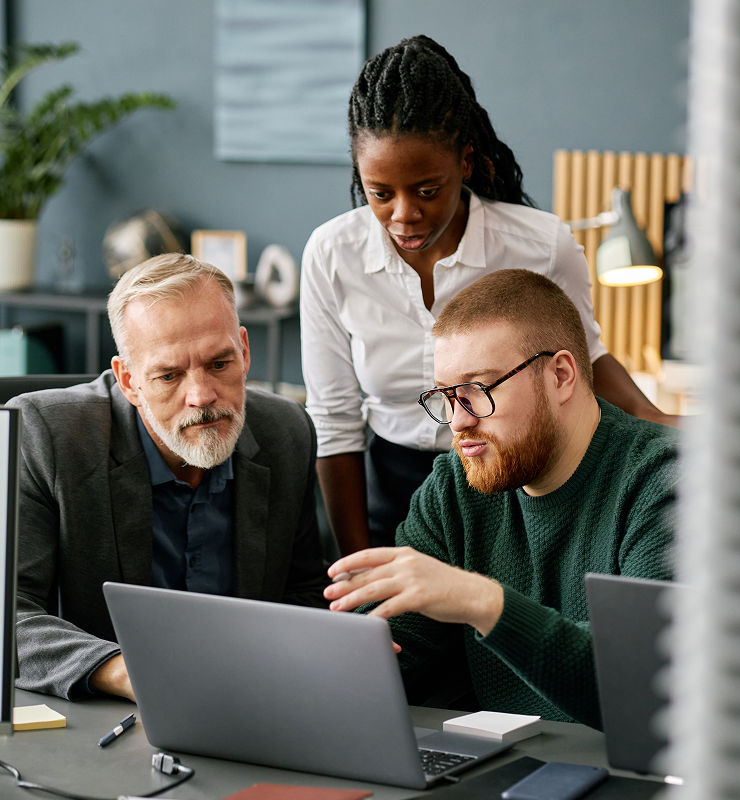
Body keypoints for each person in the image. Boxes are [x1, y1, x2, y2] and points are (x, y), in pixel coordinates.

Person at [300, 34, 677, 556]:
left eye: (427, 190)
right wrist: (357, 568)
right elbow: (335, 421)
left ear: (467, 162)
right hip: (388, 486)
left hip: (510, 486)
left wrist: (661, 424)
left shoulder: (540, 246)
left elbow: (583, 363)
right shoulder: (331, 254)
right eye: (380, 194)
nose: (404, 215)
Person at [323, 269, 679, 729]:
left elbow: (642, 688)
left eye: (478, 390)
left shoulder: (666, 481)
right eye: (447, 396)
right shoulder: (455, 485)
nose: (457, 422)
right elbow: (392, 652)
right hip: (502, 768)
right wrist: (341, 661)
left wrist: (483, 602)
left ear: (561, 375)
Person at [11, 253, 328, 701]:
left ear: (244, 349)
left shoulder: (287, 431)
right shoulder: (46, 434)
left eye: (219, 364)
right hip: (103, 719)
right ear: (128, 380)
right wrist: (131, 673)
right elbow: (10, 614)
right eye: (168, 375)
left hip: (250, 700)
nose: (201, 396)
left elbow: (305, 592)